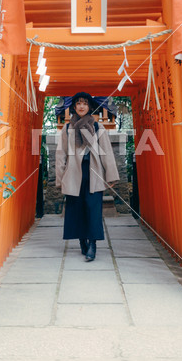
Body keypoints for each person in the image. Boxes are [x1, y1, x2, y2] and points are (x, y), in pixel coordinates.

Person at [56, 92, 119, 261]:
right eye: (78, 103)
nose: (81, 106)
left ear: (89, 107)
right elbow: (61, 154)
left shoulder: (98, 127)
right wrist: (60, 177)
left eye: (84, 103)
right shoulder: (68, 128)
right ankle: (82, 240)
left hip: (94, 172)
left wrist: (111, 176)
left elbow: (106, 153)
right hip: (73, 173)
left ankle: (93, 245)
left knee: (93, 209)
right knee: (76, 210)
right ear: (74, 107)